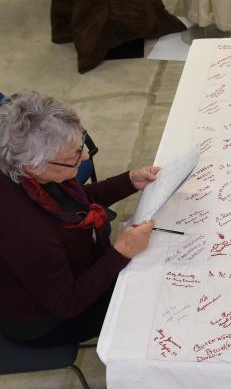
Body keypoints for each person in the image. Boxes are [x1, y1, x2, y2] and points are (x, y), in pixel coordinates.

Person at [0, 91, 157, 346]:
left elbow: (76, 199)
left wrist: (129, 181)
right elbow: (69, 303)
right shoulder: (25, 232)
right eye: (73, 156)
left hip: (72, 273)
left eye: (79, 146)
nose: (85, 157)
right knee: (149, 300)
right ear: (32, 166)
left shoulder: (31, 174)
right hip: (46, 320)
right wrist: (120, 252)